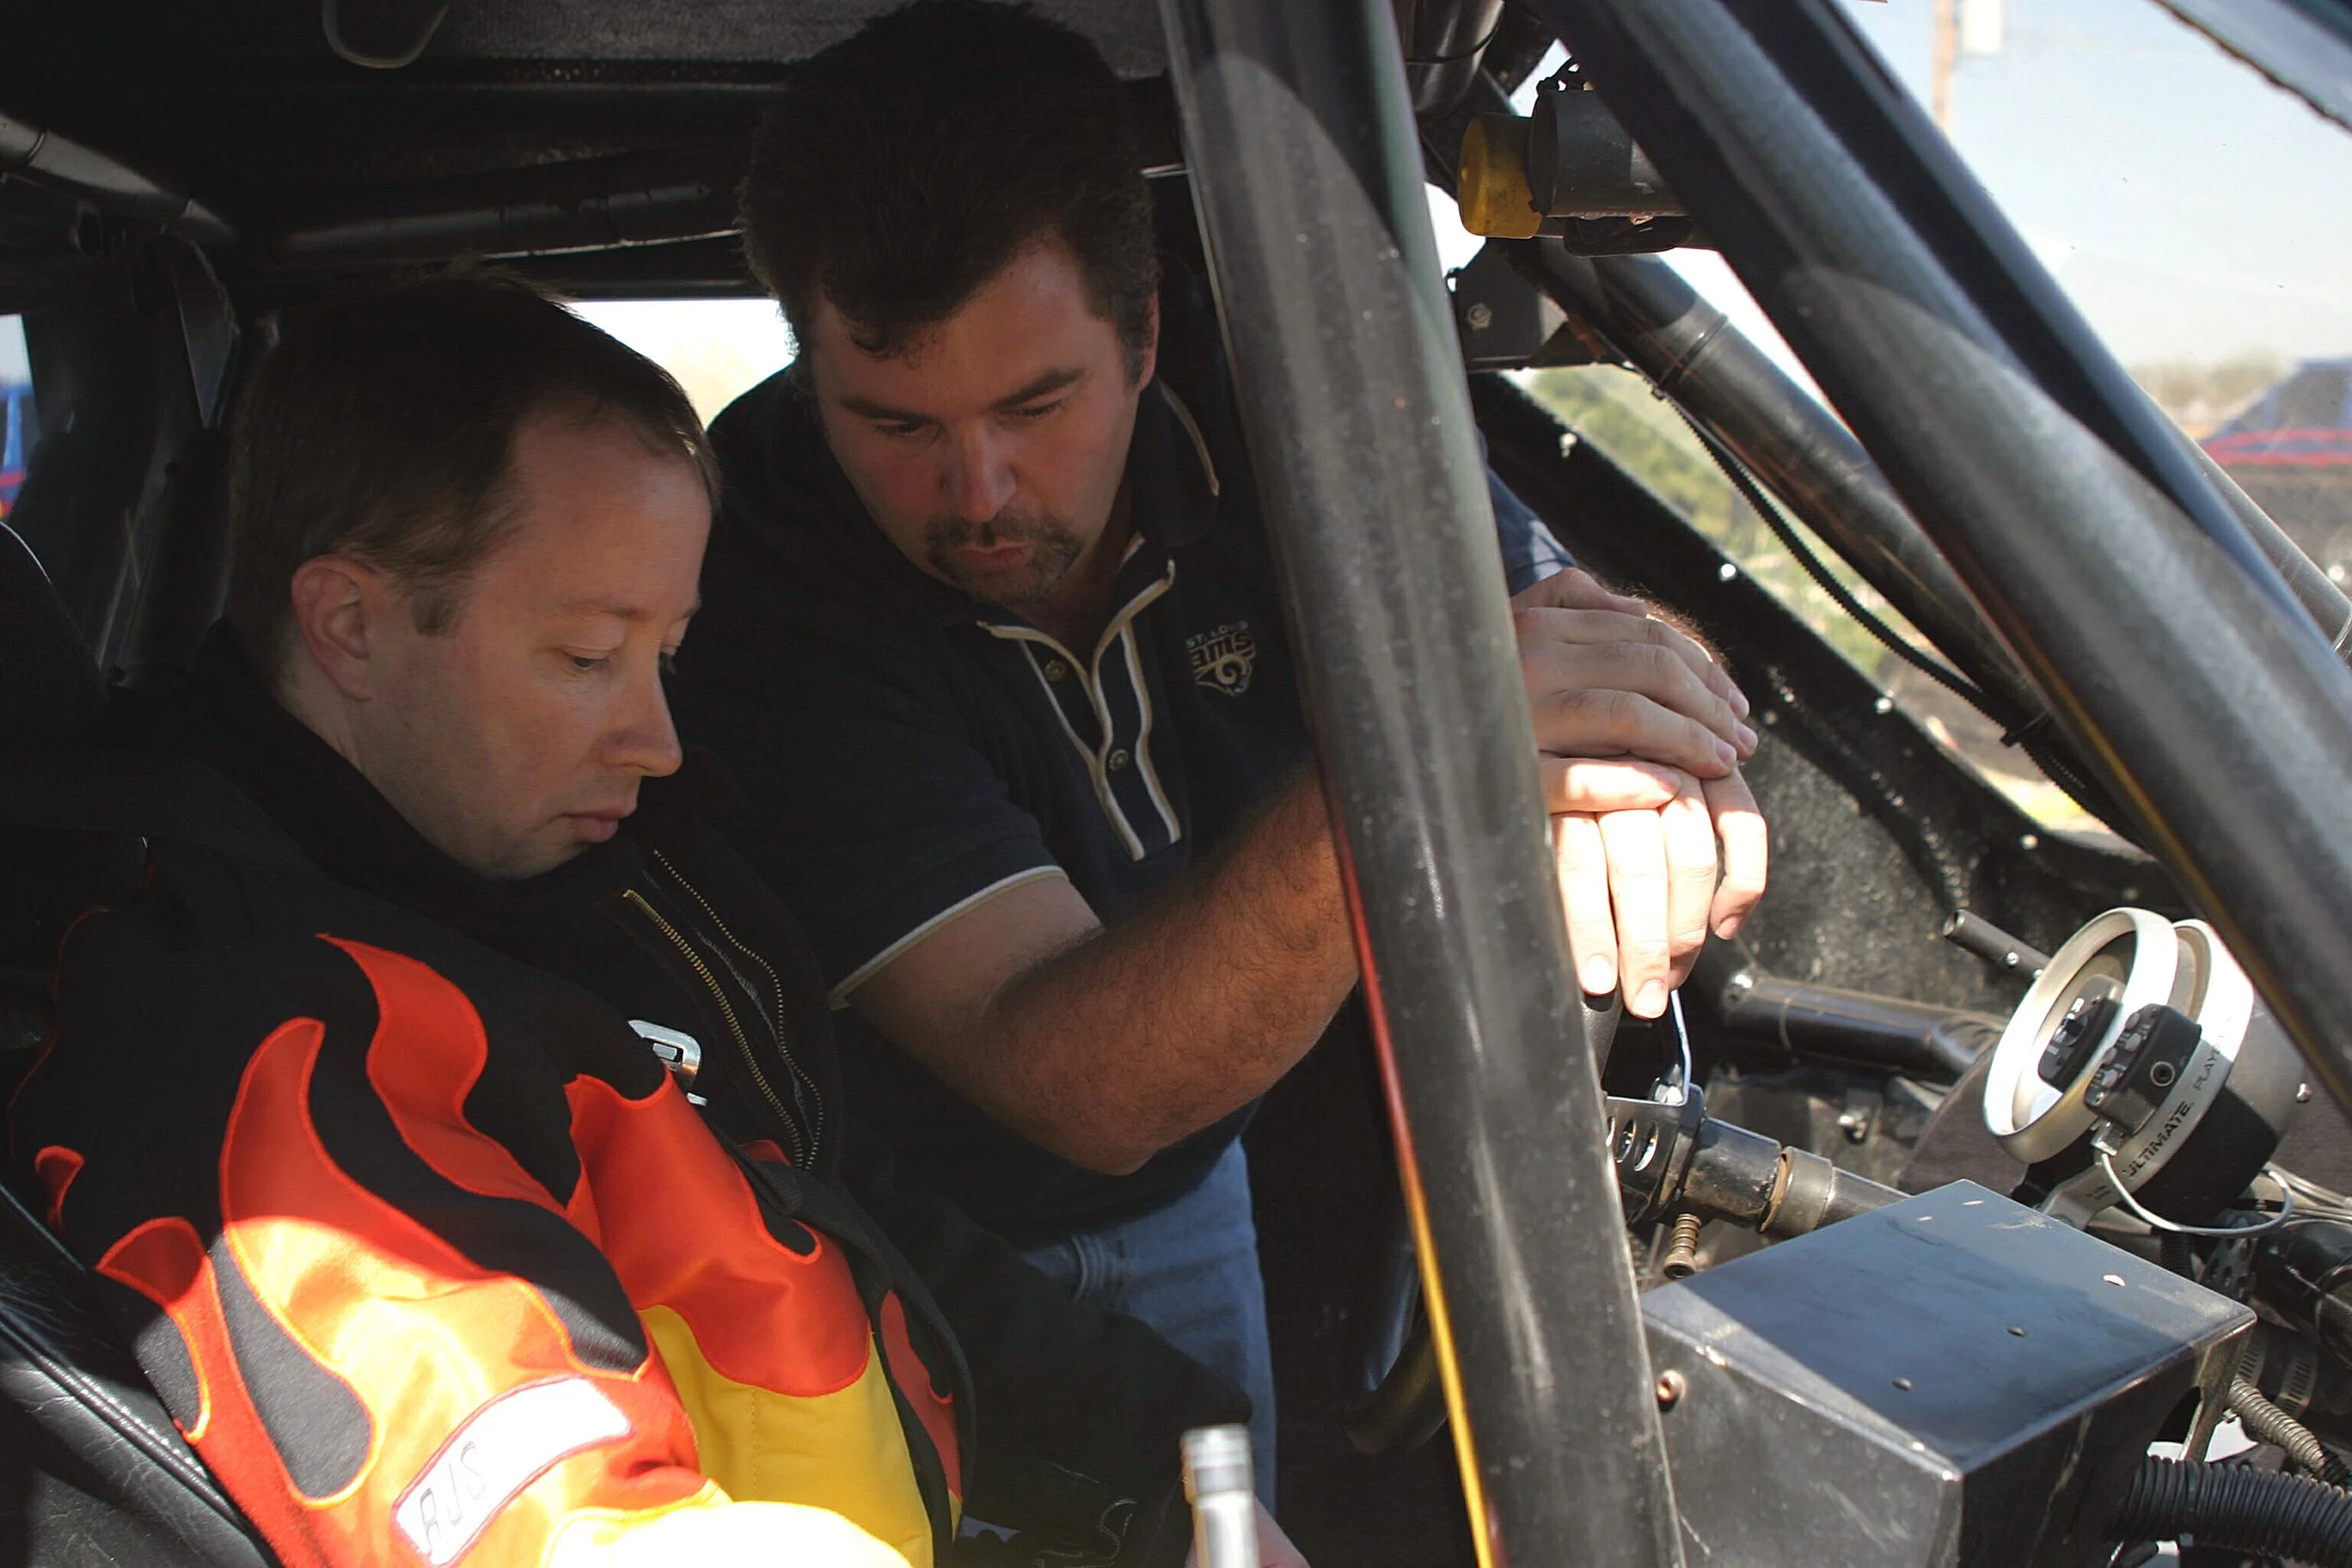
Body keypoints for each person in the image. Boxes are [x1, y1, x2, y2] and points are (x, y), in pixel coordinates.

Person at [9, 272, 1307, 1568]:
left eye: (666, 654)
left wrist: (1171, 1462)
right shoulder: (257, 1034)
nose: (660, 740)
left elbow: (837, 1207)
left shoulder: (579, 881)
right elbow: (551, 1506)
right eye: (588, 656)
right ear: (351, 623)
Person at [670, 0, 1768, 1491]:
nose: (977, 491)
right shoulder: (756, 577)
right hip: (894, 1238)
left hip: (1199, 1180)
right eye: (895, 424)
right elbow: (1078, 1081)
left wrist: (1644, 758)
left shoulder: (1280, 395)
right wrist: (1416, 754)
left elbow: (1563, 637)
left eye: (1036, 403)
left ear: (1144, 336)